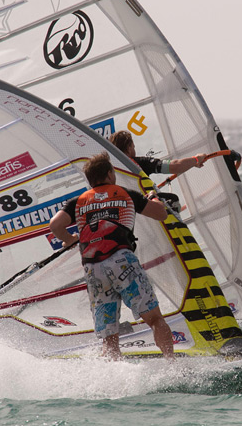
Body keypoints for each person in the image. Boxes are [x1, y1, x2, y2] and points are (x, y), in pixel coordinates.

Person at [48, 152, 174, 360]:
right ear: (109, 174)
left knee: (110, 338)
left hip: (94, 270)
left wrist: (70, 240)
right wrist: (152, 197)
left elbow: (55, 225)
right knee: (154, 319)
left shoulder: (78, 201)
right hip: (122, 261)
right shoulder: (124, 193)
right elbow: (161, 214)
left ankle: (114, 376)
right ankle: (173, 364)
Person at [108, 130, 207, 177]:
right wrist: (196, 159)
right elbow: (175, 166)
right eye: (133, 147)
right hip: (144, 210)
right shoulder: (139, 163)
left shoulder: (110, 170)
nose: (134, 150)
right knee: (173, 200)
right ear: (129, 148)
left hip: (126, 214)